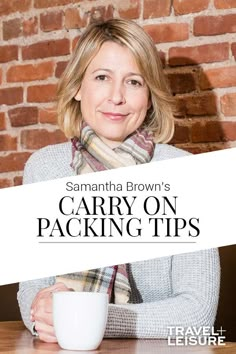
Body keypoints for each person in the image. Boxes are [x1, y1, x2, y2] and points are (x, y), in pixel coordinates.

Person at [17, 19, 220, 343]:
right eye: (101, 77)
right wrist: (40, 310)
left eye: (134, 82)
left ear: (150, 95)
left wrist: (83, 317)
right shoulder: (43, 168)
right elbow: (32, 294)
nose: (117, 97)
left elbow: (197, 317)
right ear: (78, 87)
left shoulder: (187, 173)